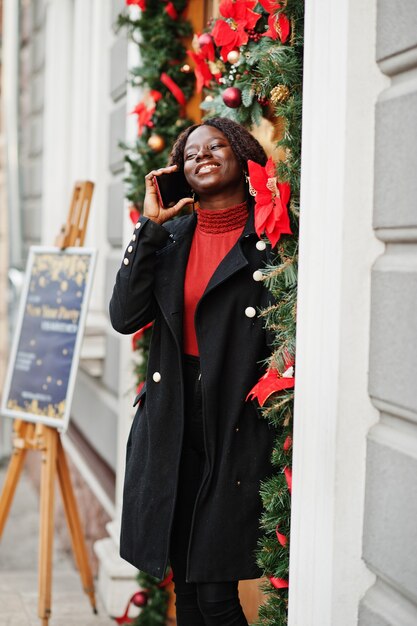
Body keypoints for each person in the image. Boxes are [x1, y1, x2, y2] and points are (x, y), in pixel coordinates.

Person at [109, 118, 277, 626]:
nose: (201, 156)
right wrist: (149, 226)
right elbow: (124, 316)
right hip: (172, 417)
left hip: (236, 418)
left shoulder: (270, 234)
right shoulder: (171, 236)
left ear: (243, 154)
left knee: (216, 592)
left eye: (216, 146)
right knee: (185, 583)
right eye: (189, 153)